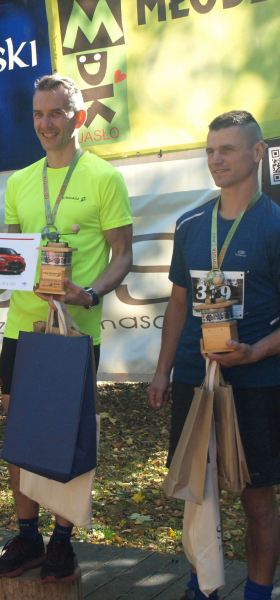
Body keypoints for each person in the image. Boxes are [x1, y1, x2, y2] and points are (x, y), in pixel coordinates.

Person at [0, 74, 133, 582]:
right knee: (20, 434)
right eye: (38, 114)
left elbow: (123, 255)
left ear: (78, 117)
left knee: (65, 435)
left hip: (73, 333)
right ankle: (28, 536)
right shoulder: (20, 182)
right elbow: (11, 265)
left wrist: (91, 293)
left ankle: (62, 541)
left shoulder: (104, 177)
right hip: (23, 330)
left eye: (55, 113)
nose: (45, 123)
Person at [148, 111, 280, 600]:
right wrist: (162, 371)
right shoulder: (191, 224)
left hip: (256, 380)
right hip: (194, 378)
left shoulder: (274, 225)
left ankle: (258, 593)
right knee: (197, 492)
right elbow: (178, 303)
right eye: (210, 151)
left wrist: (255, 351)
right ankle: (201, 585)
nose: (216, 159)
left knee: (257, 498)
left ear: (257, 153)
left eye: (227, 149)